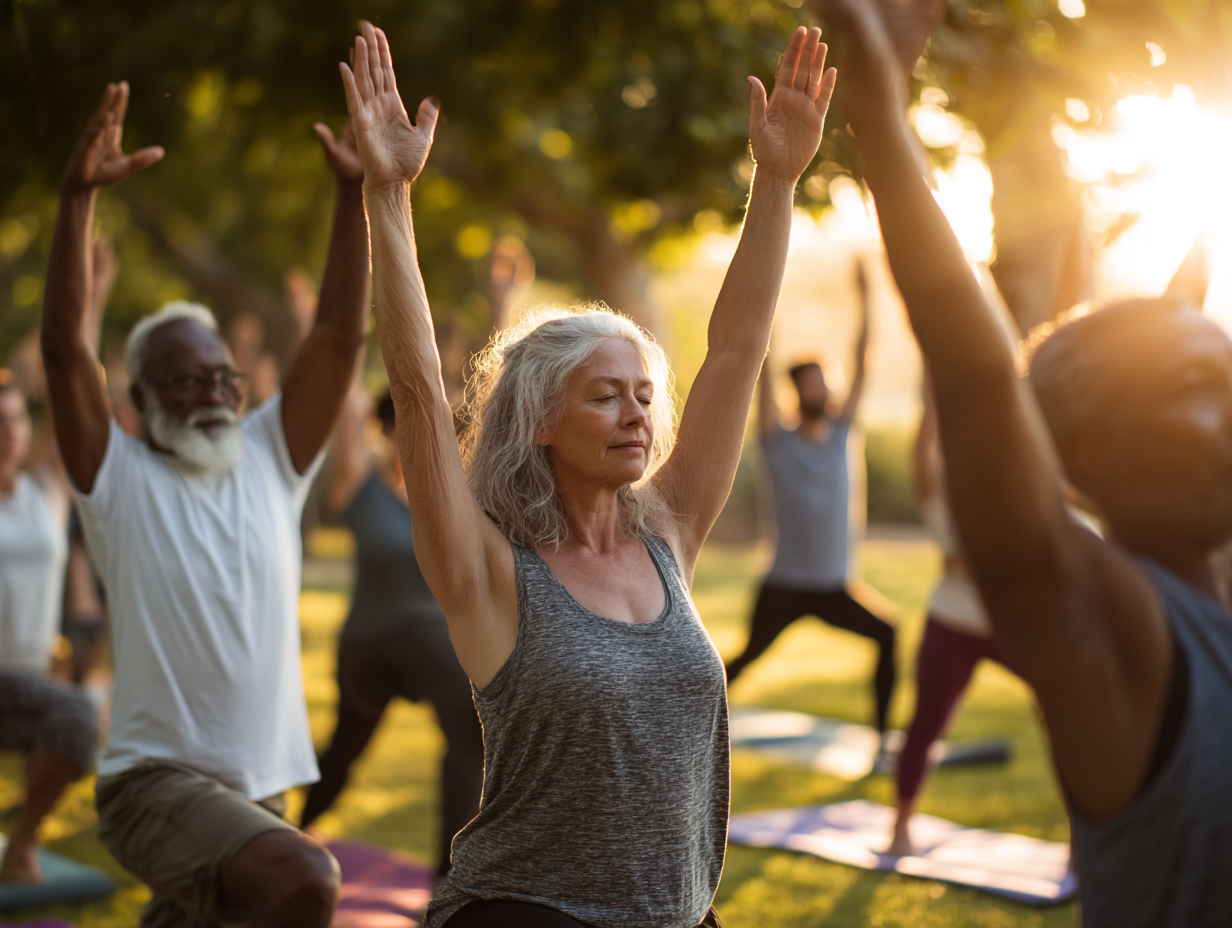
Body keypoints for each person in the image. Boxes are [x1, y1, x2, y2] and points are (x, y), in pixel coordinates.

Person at [337, 21, 836, 927]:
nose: (638, 413)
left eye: (644, 394)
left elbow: (736, 353)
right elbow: (415, 388)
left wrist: (776, 182)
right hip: (529, 911)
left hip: (680, 912)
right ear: (540, 424)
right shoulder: (489, 571)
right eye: (605, 396)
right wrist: (387, 194)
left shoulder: (668, 530)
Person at [820, 0, 1232, 923]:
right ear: (1087, 451)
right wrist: (882, 118)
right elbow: (975, 371)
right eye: (1196, 390)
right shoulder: (1110, 619)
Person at [40, 81, 370, 928]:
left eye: (224, 377)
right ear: (142, 398)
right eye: (189, 381)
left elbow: (335, 334)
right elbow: (66, 352)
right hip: (154, 785)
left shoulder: (271, 454)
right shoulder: (115, 476)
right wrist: (76, 201)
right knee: (304, 884)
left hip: (264, 787)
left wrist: (352, 191)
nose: (216, 394)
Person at [300, 382, 484, 879]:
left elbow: (487, 405)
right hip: (370, 646)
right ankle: (293, 834)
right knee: (343, 753)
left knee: (471, 733)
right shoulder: (357, 484)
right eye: (403, 428)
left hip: (428, 653)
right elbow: (344, 404)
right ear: (381, 430)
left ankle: (447, 877)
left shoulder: (448, 493)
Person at [724, 263, 897, 741]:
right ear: (796, 391)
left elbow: (863, 360)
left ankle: (883, 741)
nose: (820, 388)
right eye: (810, 382)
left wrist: (866, 300)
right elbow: (759, 369)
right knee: (744, 658)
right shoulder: (776, 441)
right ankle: (687, 718)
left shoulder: (844, 435)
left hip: (835, 585)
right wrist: (767, 307)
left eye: (824, 380)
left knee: (888, 633)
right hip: (784, 583)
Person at [887, 374, 1021, 856]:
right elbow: (925, 441)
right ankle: (900, 826)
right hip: (951, 622)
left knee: (1066, 717)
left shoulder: (1015, 489)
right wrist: (932, 386)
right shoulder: (941, 485)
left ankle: (1082, 841)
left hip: (1011, 627)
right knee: (925, 725)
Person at [0, 374, 99, 884]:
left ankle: (20, 845)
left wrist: (88, 309)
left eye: (16, 418)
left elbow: (74, 397)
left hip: (32, 677)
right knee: (76, 708)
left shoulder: (45, 492)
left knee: (80, 719)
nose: (8, 431)